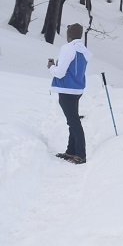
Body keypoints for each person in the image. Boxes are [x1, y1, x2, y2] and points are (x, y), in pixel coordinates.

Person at [48, 23, 90, 164]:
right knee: (72, 121)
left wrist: (51, 67)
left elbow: (60, 73)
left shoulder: (68, 48)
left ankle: (80, 154)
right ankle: (71, 151)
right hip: (78, 90)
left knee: (74, 122)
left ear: (70, 34)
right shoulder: (84, 51)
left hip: (66, 89)